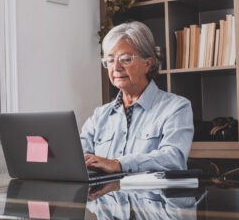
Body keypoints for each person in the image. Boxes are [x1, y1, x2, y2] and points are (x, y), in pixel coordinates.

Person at [80, 21, 194, 174]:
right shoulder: (99, 116)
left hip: (154, 197)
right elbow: (77, 160)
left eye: (126, 59)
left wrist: (118, 164)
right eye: (110, 60)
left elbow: (174, 159)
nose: (116, 68)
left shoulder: (176, 107)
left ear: (148, 63)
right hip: (104, 195)